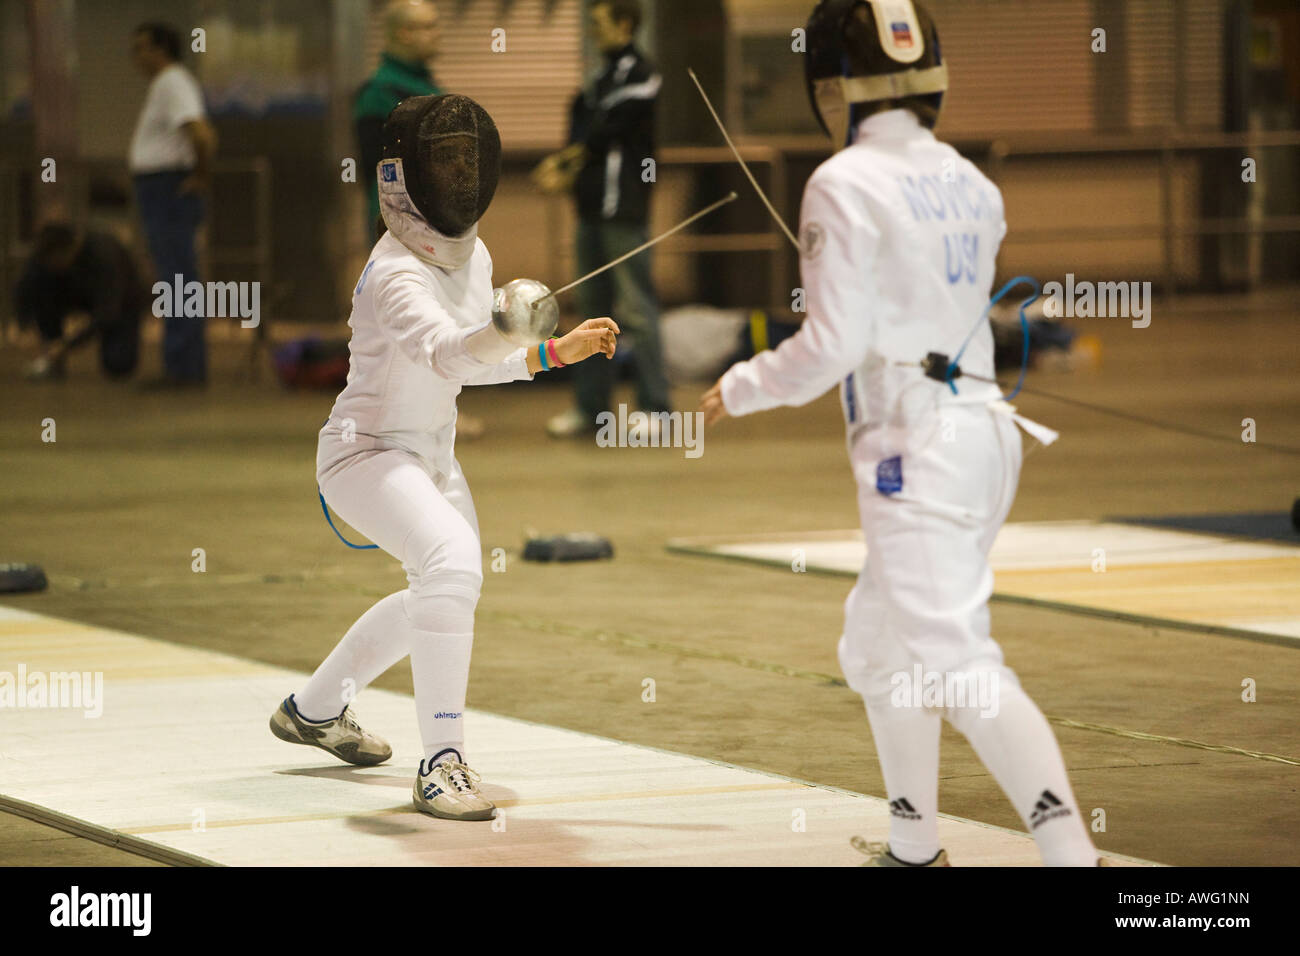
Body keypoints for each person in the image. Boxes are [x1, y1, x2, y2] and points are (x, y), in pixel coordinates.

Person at [701, 0, 1100, 867]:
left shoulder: (843, 181)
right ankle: (914, 847)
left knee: (958, 662)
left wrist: (743, 386)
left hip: (916, 452)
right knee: (878, 649)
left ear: (834, 88)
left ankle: (1074, 859)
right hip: (986, 438)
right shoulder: (972, 181)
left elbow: (832, 345)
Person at [269, 94, 619, 821]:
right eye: (445, 157)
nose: (461, 170)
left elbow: (471, 365)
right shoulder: (395, 270)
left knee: (444, 586)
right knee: (452, 567)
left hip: (431, 456)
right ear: (405, 175)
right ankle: (442, 764)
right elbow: (443, 349)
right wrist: (503, 325)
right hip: (363, 454)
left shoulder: (474, 253)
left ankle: (314, 709)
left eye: (469, 154)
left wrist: (553, 350)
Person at [534, 0, 670, 439]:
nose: (594, 33)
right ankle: (591, 409)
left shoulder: (641, 74)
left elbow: (606, 128)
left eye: (599, 24)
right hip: (589, 210)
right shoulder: (596, 77)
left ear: (625, 24)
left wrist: (569, 158)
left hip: (623, 209)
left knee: (636, 308)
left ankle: (658, 409)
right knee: (591, 311)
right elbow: (579, 125)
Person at [129, 22, 216, 387]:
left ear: (161, 49)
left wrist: (199, 176)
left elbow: (201, 134)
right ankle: (182, 364)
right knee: (174, 276)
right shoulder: (166, 84)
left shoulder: (173, 82)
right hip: (159, 189)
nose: (136, 57)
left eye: (142, 48)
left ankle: (183, 367)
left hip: (167, 189)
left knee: (178, 279)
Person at [355, 0, 444, 243]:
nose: (438, 34)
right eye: (428, 27)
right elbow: (372, 177)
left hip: (437, 221)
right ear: (404, 33)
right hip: (402, 228)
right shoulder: (378, 94)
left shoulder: (426, 87)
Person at [14, 223, 146, 381]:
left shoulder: (105, 255)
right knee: (43, 287)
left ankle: (58, 349)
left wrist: (68, 344)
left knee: (119, 364)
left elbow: (108, 312)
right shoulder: (45, 257)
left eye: (56, 261)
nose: (52, 266)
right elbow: (24, 287)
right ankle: (52, 354)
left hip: (121, 303)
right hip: (76, 296)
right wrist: (24, 325)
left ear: (70, 248)